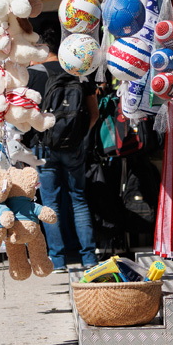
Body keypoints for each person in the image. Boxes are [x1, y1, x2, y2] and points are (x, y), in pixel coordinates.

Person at [29, 19, 100, 273]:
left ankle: (57, 260)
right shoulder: (79, 70)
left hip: (44, 147)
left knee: (51, 203)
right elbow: (94, 114)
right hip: (75, 147)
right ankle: (89, 258)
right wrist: (79, 137)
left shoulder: (34, 74)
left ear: (40, 48)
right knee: (79, 200)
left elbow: (28, 117)